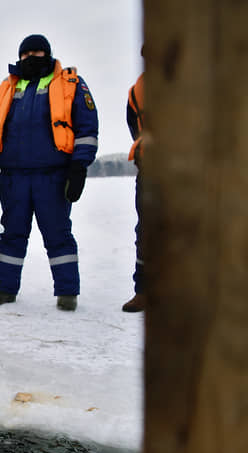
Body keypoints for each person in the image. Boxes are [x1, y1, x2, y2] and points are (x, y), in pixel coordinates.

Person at [0, 35, 99, 311]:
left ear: (48, 54)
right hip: (13, 177)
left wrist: (79, 166)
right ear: (19, 57)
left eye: (38, 51)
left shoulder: (71, 84)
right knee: (12, 233)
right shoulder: (6, 89)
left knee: (57, 233)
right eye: (26, 52)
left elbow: (87, 128)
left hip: (53, 176)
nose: (32, 56)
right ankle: (5, 289)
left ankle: (67, 292)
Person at [122, 69, 146, 313]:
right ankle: (143, 291)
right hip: (152, 168)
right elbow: (134, 126)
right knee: (146, 230)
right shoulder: (135, 92)